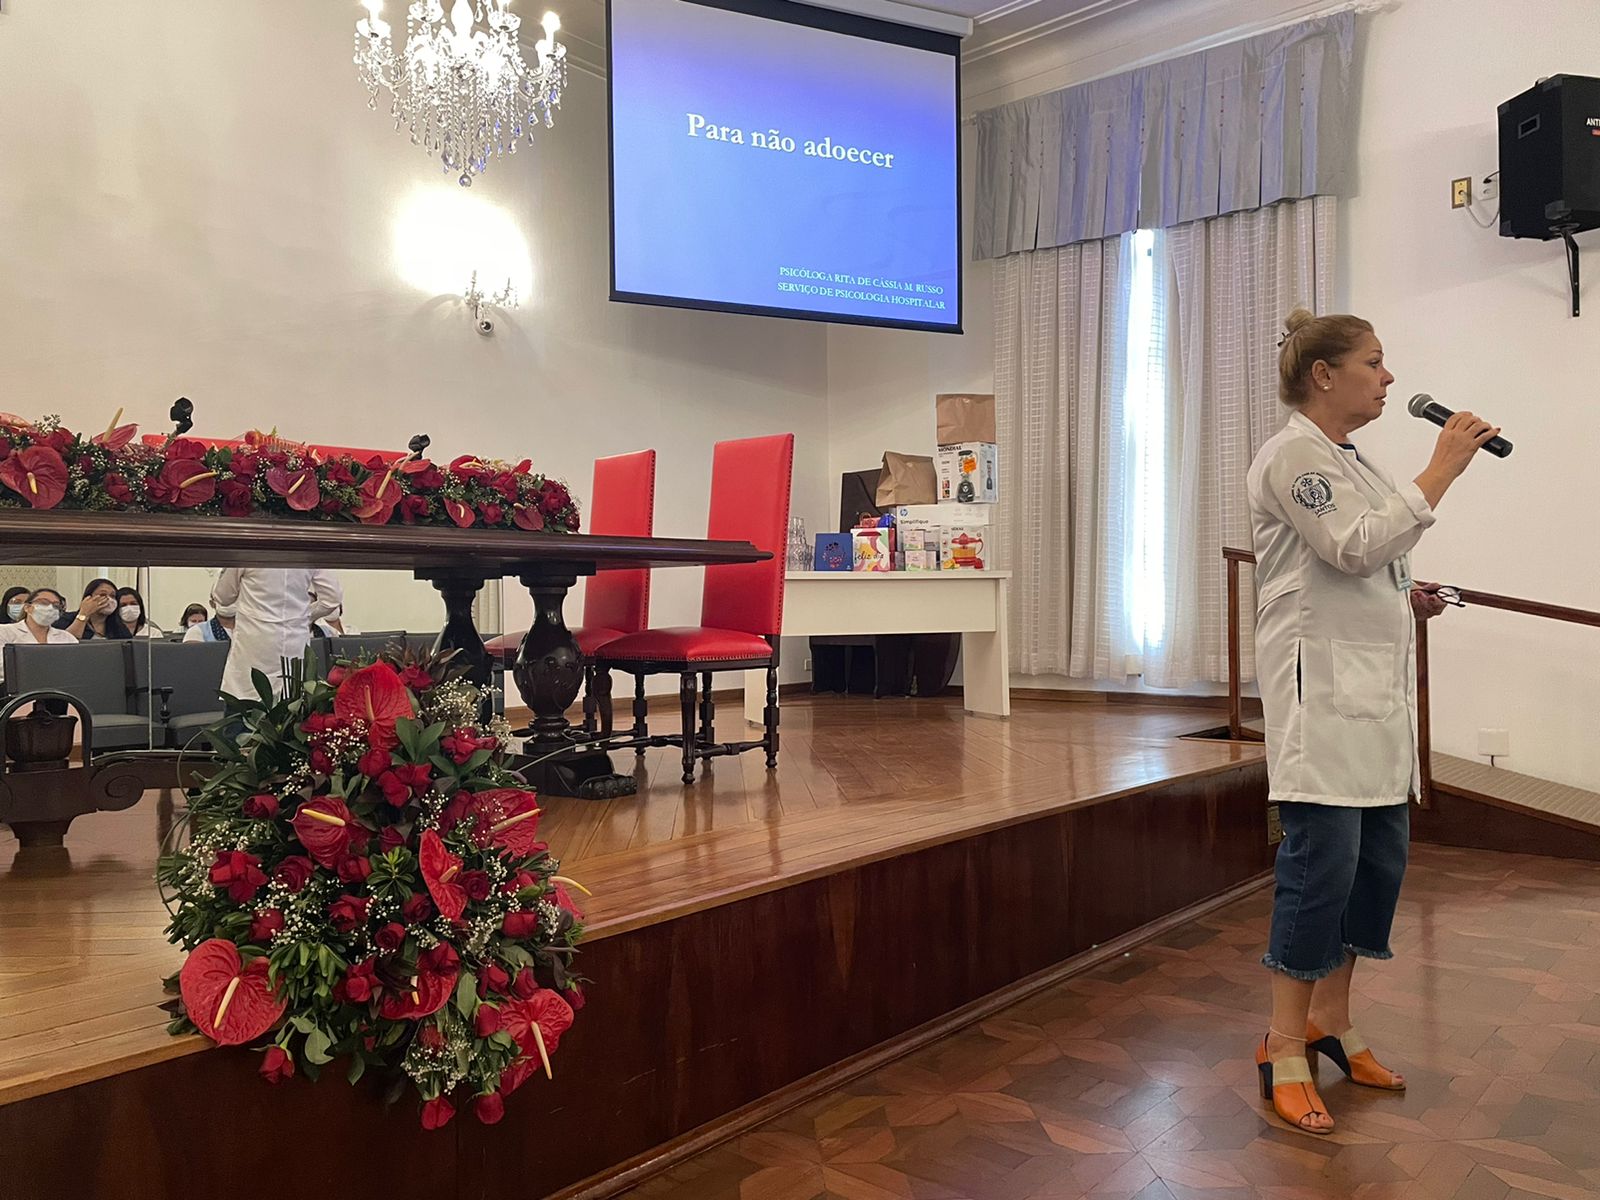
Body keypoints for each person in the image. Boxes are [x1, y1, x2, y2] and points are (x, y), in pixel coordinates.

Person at [1246, 309, 1498, 1136]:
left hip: (1374, 699)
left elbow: (1368, 562)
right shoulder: (1291, 456)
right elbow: (1350, 546)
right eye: (1375, 363)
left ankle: (1332, 1021)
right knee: (1321, 868)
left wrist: (1405, 596)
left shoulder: (1354, 460)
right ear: (1324, 374)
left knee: (1376, 868)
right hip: (1321, 700)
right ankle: (1284, 1043)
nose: (1389, 379)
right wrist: (1442, 469)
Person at [212, 568, 343, 700]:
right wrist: (304, 616)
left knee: (246, 701)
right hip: (294, 644)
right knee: (292, 701)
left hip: (253, 645)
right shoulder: (310, 554)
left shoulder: (247, 554)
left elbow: (223, 597)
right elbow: (332, 599)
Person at [0, 588, 80, 684]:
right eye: (44, 603)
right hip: (16, 687)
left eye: (56, 605)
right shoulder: (4, 631)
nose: (50, 608)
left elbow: (76, 667)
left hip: (60, 687)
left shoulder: (67, 637)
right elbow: (3, 666)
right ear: (27, 607)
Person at [64, 578, 129, 641]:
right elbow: (68, 642)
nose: (108, 599)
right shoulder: (67, 619)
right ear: (88, 598)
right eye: (103, 595)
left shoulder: (119, 627)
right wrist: (83, 614)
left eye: (112, 596)